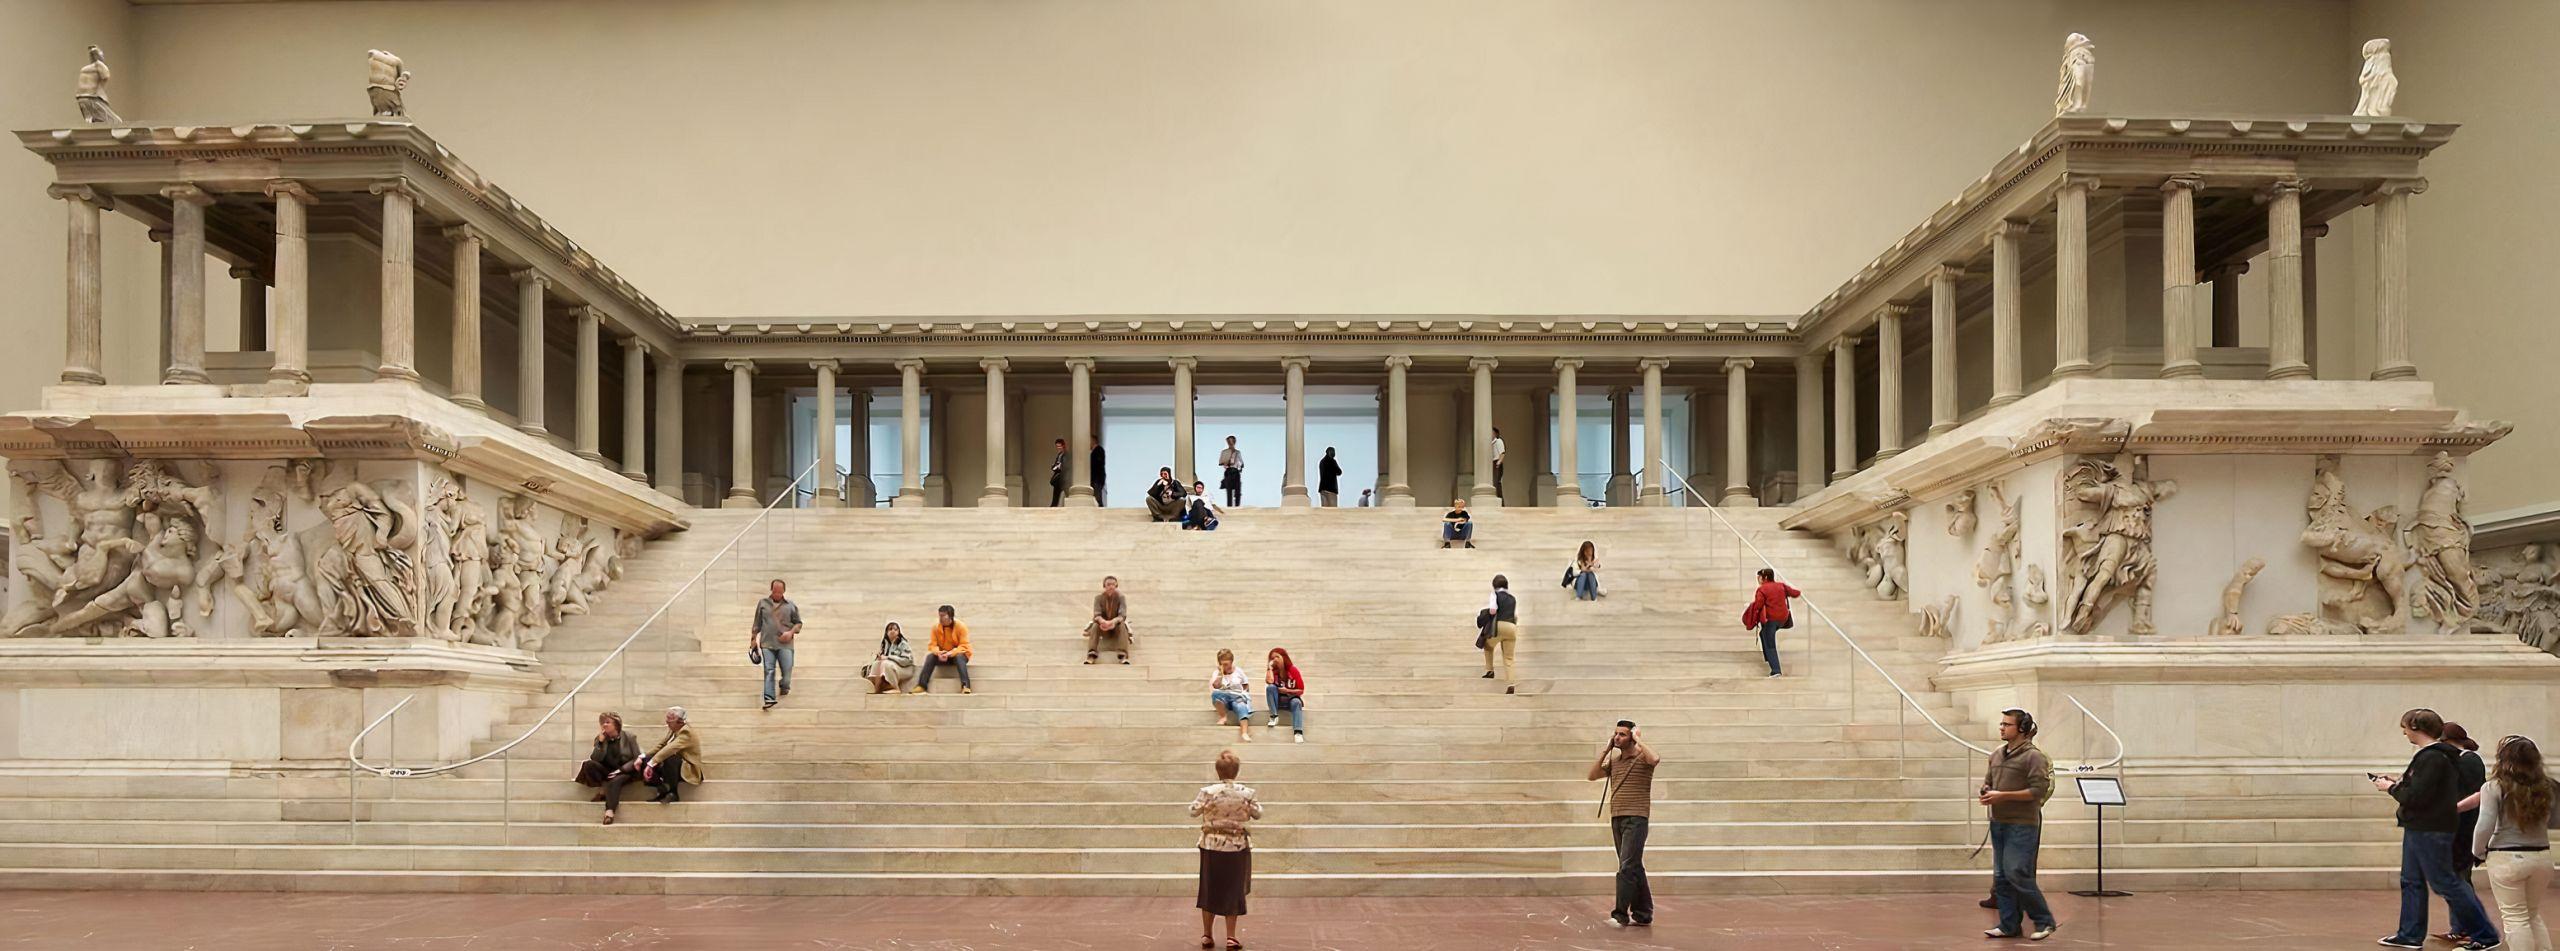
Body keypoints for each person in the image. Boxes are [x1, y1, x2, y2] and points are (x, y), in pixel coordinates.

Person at [2376, 708, 2500, 950]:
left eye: (2405, 728)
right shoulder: (2434, 756)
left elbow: (2416, 796)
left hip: (2430, 827)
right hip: (2420, 825)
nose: (2404, 733)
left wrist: (2389, 788)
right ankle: (2410, 934)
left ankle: (2485, 934)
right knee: (2411, 880)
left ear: (2415, 727)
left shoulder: (2434, 757)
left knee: (2445, 881)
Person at [2473, 734, 2558, 951]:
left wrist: (2477, 851)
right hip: (2541, 856)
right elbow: (2555, 821)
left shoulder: (2494, 786)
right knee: (2531, 914)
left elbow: (2485, 824)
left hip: (2506, 856)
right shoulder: (2549, 786)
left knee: (2515, 917)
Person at [1980, 707, 2057, 941]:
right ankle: (2009, 924)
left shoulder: (2034, 756)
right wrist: (1985, 791)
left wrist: (2002, 796)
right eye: (2001, 724)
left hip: (2022, 824)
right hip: (1999, 822)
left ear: (2022, 729)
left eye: (2007, 724)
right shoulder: (1996, 754)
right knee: (2002, 876)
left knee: (2017, 872)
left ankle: (2044, 921)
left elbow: (2038, 791)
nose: (2002, 727)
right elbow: (1989, 781)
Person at [1587, 719, 1660, 928]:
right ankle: (1643, 912)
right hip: (1617, 817)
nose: (1618, 737)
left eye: (1623, 734)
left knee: (1626, 867)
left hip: (1636, 818)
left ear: (1632, 736)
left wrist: (1638, 740)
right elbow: (1592, 776)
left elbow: (1655, 759)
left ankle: (1620, 915)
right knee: (1633, 865)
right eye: (1616, 734)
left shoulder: (1642, 758)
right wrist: (1606, 750)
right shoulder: (1615, 762)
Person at [1190, 749, 1261, 950]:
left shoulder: (1207, 791)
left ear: (1217, 771)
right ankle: (1231, 936)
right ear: (1236, 771)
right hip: (1237, 846)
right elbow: (1258, 813)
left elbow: (1193, 811)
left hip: (1211, 844)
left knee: (1209, 888)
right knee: (1233, 890)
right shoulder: (1247, 793)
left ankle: (1207, 934)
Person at [2446, 722, 2499, 949]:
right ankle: (2460, 927)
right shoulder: (2468, 759)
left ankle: (2468, 927)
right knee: (2457, 878)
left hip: (2463, 828)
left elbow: (2465, 794)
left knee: (2459, 879)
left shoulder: (2466, 760)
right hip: (2464, 826)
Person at [605, 705, 701, 818]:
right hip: (672, 768)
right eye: (667, 718)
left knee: (670, 757)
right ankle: (662, 790)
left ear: (679, 721)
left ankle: (673, 792)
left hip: (688, 769)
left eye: (670, 719)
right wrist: (642, 757)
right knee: (645, 760)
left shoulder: (686, 732)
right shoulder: (673, 730)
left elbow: (669, 749)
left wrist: (651, 764)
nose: (667, 722)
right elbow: (661, 746)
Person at [576, 712, 640, 822]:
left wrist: (620, 770)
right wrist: (600, 743)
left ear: (616, 724)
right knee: (589, 765)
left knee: (616, 781)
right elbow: (595, 758)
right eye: (602, 723)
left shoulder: (629, 737)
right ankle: (604, 787)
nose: (604, 725)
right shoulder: (600, 738)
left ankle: (609, 812)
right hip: (608, 770)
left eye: (607, 722)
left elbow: (636, 758)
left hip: (625, 771)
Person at [750, 579, 802, 710]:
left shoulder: (791, 605)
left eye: (779, 591)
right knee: (769, 670)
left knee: (787, 670)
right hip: (767, 643)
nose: (777, 594)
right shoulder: (763, 603)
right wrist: (753, 639)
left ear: (784, 591)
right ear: (771, 590)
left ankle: (784, 685)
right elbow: (757, 623)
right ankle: (769, 698)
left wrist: (790, 633)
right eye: (774, 591)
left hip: (785, 644)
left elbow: (799, 623)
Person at [1741, 568, 1800, 678]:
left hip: (1771, 620)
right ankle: (1769, 658)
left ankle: (1776, 670)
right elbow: (1796, 593)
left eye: (1759, 577)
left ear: (1765, 578)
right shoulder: (1781, 586)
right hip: (1782, 619)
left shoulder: (1762, 589)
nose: (1758, 580)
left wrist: (1750, 608)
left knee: (1770, 644)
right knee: (1763, 633)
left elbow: (1758, 605)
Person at [914, 604, 973, 694]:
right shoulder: (935, 628)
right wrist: (939, 653)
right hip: (943, 656)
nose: (940, 618)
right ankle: (922, 685)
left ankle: (965, 686)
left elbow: (964, 646)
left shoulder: (961, 627)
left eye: (943, 616)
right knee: (930, 657)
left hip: (957, 655)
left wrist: (951, 653)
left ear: (950, 616)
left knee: (959, 657)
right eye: (939, 616)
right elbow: (932, 645)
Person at [1479, 574, 1519, 695]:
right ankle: (1511, 683)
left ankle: (1490, 670)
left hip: (1499, 626)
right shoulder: (1512, 598)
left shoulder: (1494, 595)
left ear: (1494, 585)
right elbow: (1515, 615)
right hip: (1511, 627)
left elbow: (1493, 610)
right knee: (1509, 658)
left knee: (1487, 645)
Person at [1086, 575, 1135, 665]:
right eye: (1108, 584)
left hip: (1116, 626)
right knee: (1095, 625)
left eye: (1113, 584)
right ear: (1104, 586)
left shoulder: (1121, 598)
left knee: (1122, 624)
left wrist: (1112, 622)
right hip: (1103, 626)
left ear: (1116, 586)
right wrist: (1103, 622)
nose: (1111, 587)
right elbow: (1097, 615)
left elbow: (1122, 615)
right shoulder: (1098, 598)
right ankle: (1091, 654)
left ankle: (1122, 655)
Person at [1209, 649, 1254, 742]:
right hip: (1223, 698)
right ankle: (1223, 717)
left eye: (1227, 664)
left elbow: (1245, 684)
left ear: (1231, 662)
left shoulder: (1238, 671)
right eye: (1223, 664)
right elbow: (1216, 686)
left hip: (1236, 697)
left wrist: (1245, 694)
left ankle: (1244, 732)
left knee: (1242, 706)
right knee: (1215, 694)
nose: (1226, 666)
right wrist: (1221, 674)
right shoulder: (1217, 673)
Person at [1264, 648, 1307, 743]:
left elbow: (1301, 690)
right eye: (1272, 658)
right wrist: (1269, 668)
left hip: (1290, 698)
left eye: (1277, 657)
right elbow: (1269, 682)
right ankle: (1274, 716)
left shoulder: (1293, 670)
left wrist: (1287, 690)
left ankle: (1298, 732)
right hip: (1278, 700)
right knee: (1270, 688)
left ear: (1283, 657)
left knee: (1297, 702)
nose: (1275, 659)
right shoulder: (1273, 671)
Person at [863, 621, 916, 694]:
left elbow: (907, 660)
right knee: (876, 663)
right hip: (892, 667)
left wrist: (888, 658)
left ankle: (895, 688)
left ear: (898, 632)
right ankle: (876, 687)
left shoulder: (903, 644)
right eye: (890, 629)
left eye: (895, 629)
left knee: (886, 664)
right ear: (886, 632)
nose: (893, 631)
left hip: (906, 669)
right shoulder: (885, 645)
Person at [1217, 435, 1244, 507]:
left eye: (1231, 441)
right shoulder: (1224, 452)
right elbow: (1220, 462)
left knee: (1237, 490)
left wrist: (1240, 467)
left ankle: (1237, 505)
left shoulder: (1238, 452)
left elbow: (1241, 462)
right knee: (1229, 490)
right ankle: (1229, 506)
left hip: (1236, 471)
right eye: (1228, 441)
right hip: (1228, 471)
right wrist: (1225, 462)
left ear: (1234, 442)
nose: (1230, 443)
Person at [1048, 437, 1069, 507]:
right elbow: (1057, 466)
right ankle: (1052, 509)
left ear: (1063, 445)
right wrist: (1055, 467)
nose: (1058, 448)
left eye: (1059, 446)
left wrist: (1057, 467)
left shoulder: (1066, 455)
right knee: (1055, 498)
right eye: (1057, 446)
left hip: (1065, 479)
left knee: (1068, 496)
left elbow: (1065, 466)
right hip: (1059, 479)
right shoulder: (1059, 455)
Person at [1090, 436, 1109, 506]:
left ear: (1093, 441)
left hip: (1097, 477)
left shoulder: (1099, 450)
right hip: (1094, 477)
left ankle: (1101, 510)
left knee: (1097, 496)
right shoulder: (1092, 451)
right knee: (1096, 496)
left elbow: (1099, 463)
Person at [1490, 427, 1507, 501]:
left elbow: (1502, 453)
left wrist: (1499, 462)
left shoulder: (1498, 441)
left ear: (1495, 434)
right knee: (1494, 483)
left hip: (1497, 462)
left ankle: (1501, 501)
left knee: (1496, 482)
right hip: (1492, 463)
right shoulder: (1491, 443)